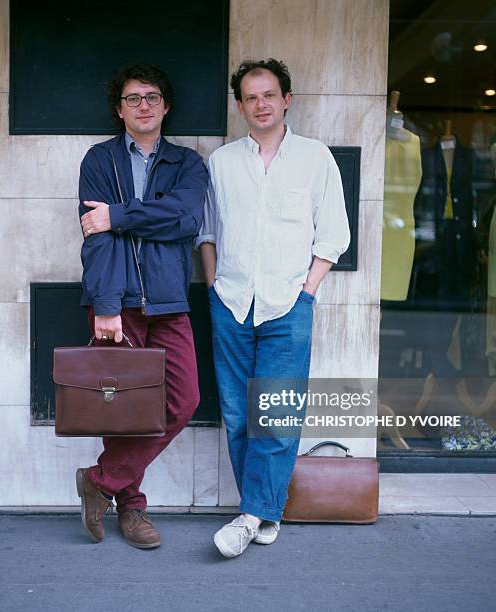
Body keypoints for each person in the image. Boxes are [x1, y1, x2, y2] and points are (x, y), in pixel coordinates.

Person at [196, 58, 350, 558]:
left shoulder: (315, 157)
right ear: (239, 105)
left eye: (269, 94)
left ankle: (250, 516)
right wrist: (214, 282)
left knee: (277, 418)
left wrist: (307, 290)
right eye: (250, 97)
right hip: (232, 301)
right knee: (240, 415)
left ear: (286, 99)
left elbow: (334, 234)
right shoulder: (221, 162)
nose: (260, 104)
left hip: (289, 303)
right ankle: (263, 509)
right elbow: (208, 231)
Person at [77, 63, 208, 549]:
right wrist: (107, 306)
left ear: (166, 105)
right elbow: (97, 238)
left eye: (152, 97)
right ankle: (131, 508)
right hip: (116, 302)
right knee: (124, 411)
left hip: (170, 301)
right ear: (119, 108)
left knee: (183, 399)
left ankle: (101, 481)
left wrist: (119, 216)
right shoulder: (99, 160)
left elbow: (186, 219)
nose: (143, 105)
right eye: (133, 98)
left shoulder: (187, 164)